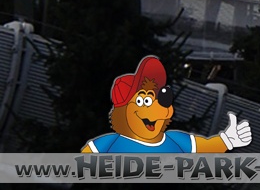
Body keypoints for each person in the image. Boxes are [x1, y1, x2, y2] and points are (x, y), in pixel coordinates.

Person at [82, 56, 251, 153]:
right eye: (143, 101)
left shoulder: (174, 140)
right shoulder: (110, 143)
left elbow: (204, 146)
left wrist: (227, 140)